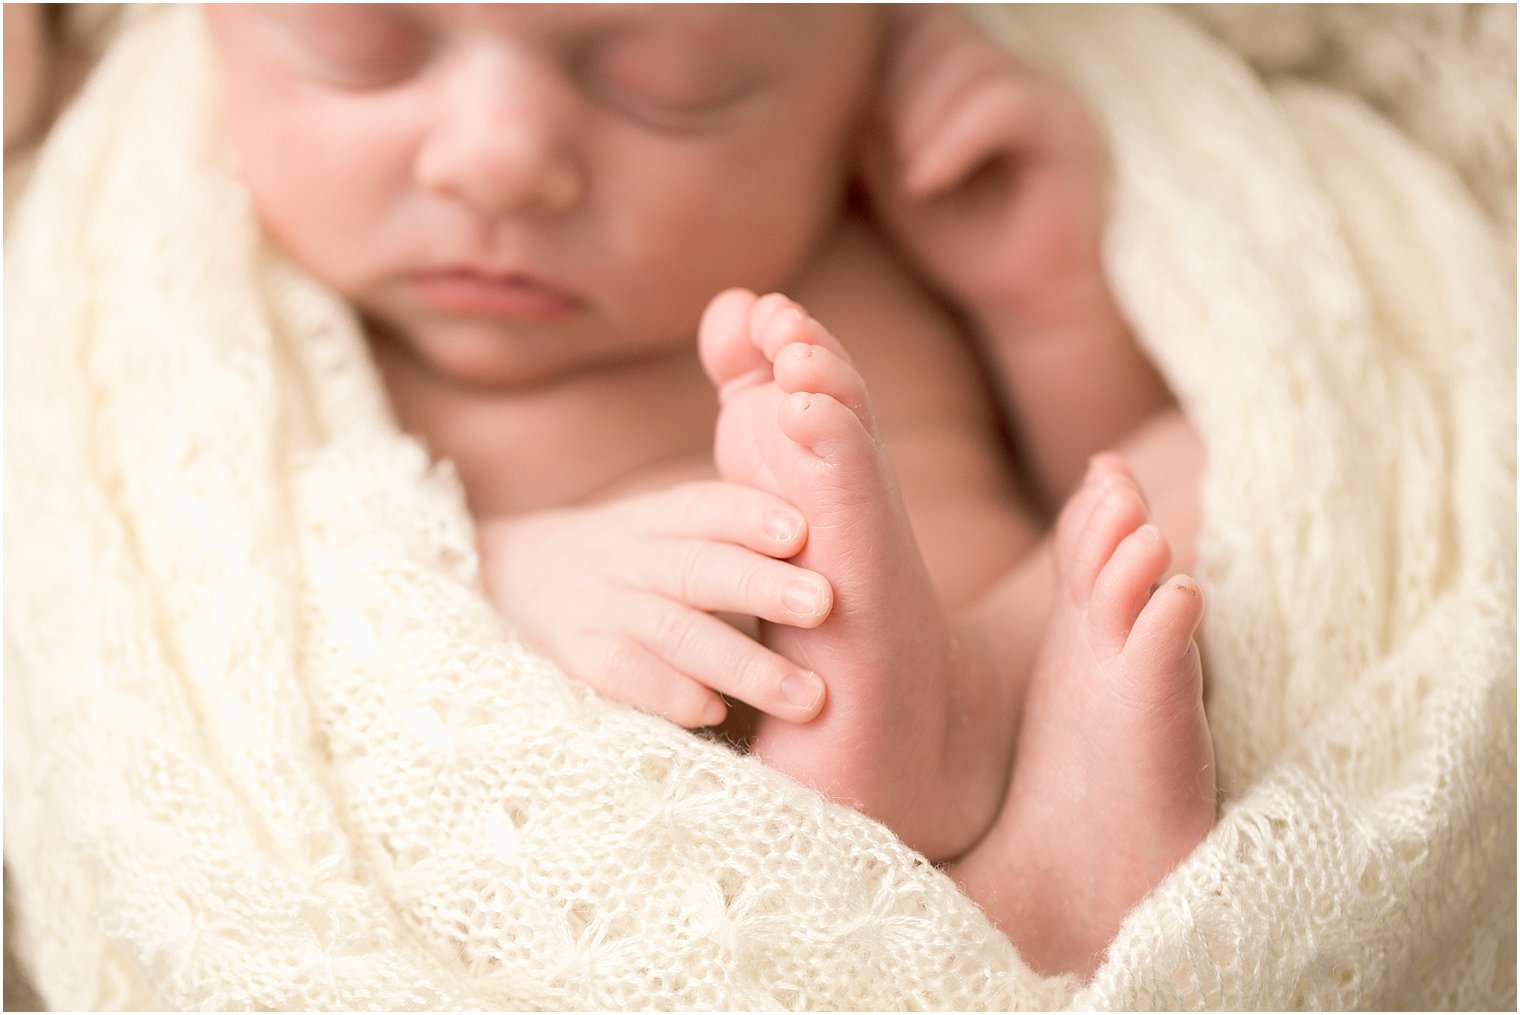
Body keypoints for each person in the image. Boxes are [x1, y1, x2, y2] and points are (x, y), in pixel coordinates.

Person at [205, 3, 1214, 977]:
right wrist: (507, 578)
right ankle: (1003, 861)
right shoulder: (291, 354)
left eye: (672, 83)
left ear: (856, 81)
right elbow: (273, 591)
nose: (495, 164)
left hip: (1044, 691)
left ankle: (1009, 782)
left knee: (1195, 461)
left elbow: (1088, 474)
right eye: (363, 47)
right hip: (693, 817)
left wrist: (1041, 298)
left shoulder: (882, 232)